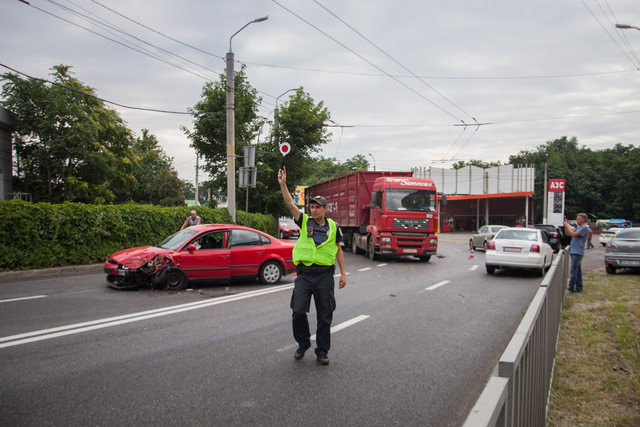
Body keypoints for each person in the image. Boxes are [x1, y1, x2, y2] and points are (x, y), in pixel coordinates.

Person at [278, 166, 347, 365]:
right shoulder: (304, 221)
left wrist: (343, 274)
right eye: (312, 207)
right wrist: (283, 184)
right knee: (298, 311)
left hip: (324, 276)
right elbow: (289, 203)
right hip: (305, 276)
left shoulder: (334, 227)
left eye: (317, 207)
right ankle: (303, 342)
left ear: (325, 209)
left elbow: (338, 251)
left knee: (325, 315)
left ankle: (322, 351)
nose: (314, 210)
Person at [564, 213, 590, 293]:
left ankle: (571, 288)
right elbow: (568, 233)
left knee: (573, 271)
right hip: (574, 251)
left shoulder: (585, 228)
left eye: (578, 218)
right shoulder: (579, 228)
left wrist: (567, 225)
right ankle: (579, 287)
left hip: (578, 251)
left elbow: (573, 234)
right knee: (578, 271)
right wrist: (566, 225)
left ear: (583, 220)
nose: (577, 220)